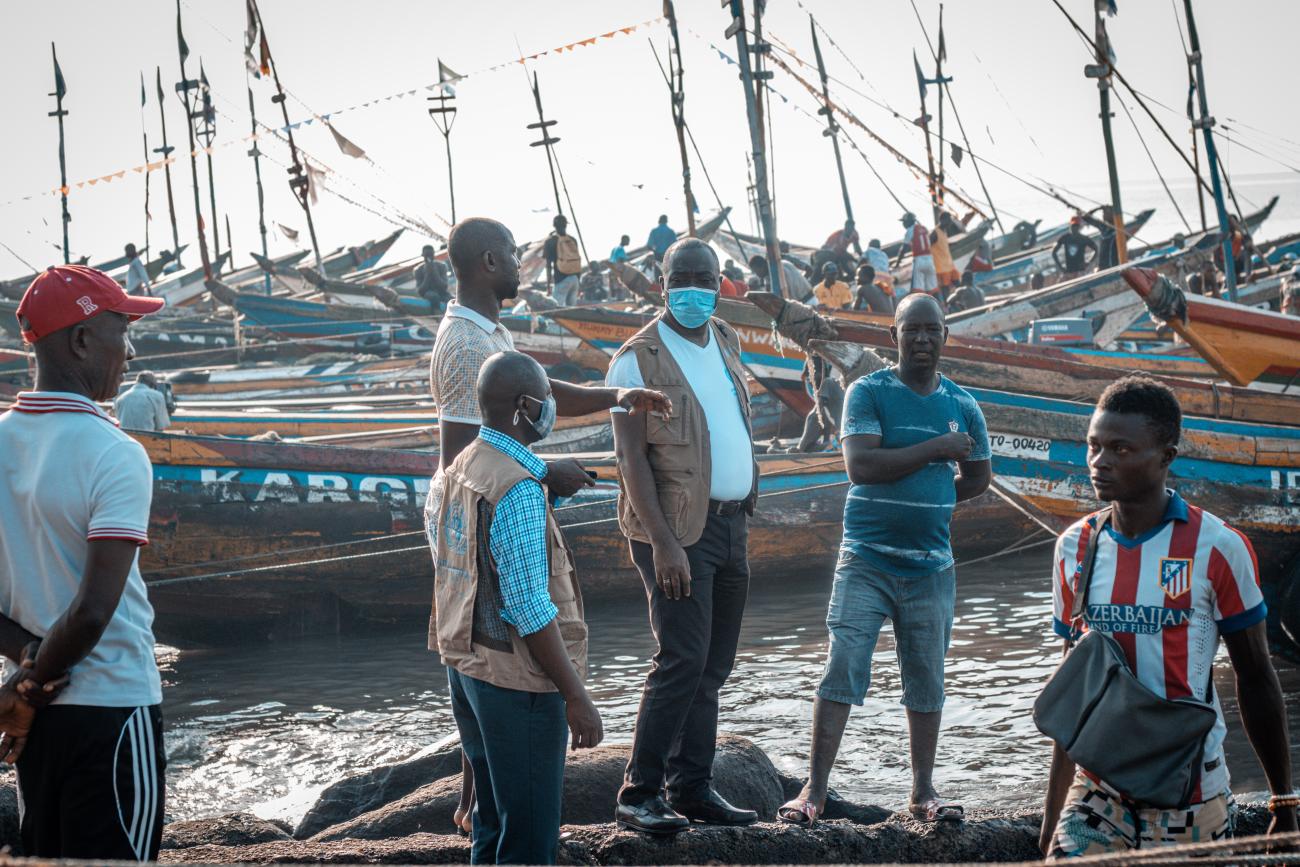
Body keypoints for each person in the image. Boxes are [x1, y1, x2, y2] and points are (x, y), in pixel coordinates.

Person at [426, 217, 670, 836]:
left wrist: (617, 398)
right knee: (493, 662)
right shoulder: (461, 344)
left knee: (478, 673)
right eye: (512, 254)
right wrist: (536, 472)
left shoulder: (490, 331)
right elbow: (470, 459)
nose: (520, 264)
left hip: (492, 504)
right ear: (487, 261)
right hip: (475, 528)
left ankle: (480, 795)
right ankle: (477, 791)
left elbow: (532, 390)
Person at [1039, 376, 1295, 859]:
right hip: (1099, 788)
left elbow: (1257, 676)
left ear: (1166, 457)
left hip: (1190, 791)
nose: (1100, 462)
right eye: (1093, 446)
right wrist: (1052, 814)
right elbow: (1074, 692)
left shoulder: (1218, 548)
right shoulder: (1074, 547)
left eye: (1120, 448)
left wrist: (1283, 800)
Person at [779, 293, 991, 829]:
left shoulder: (964, 405)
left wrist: (933, 495)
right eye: (911, 329)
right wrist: (935, 451)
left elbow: (979, 479)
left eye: (932, 330)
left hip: (931, 568)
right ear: (894, 337)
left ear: (945, 337)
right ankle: (814, 791)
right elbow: (862, 466)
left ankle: (922, 791)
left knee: (926, 679)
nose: (922, 339)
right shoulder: (867, 392)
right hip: (866, 561)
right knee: (844, 664)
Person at [0, 265, 166, 860]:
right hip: (113, 709)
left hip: (36, 721)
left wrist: (24, 675)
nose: (130, 350)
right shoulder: (115, 452)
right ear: (80, 341)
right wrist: (34, 680)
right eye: (122, 332)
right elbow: (94, 613)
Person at [606, 238, 760, 835]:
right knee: (681, 657)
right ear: (661, 281)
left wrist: (748, 486)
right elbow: (630, 459)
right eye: (683, 278)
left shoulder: (724, 338)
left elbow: (730, 417)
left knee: (713, 665)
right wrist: (664, 542)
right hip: (676, 532)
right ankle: (638, 792)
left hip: (730, 523)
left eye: (706, 278)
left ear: (721, 282)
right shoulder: (635, 359)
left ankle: (692, 787)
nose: (695, 289)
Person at [432, 350, 605, 865]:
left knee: (491, 820)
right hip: (519, 685)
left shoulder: (464, 463)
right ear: (526, 406)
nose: (553, 406)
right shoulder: (518, 490)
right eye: (548, 398)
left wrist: (548, 487)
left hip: (467, 668)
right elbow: (528, 605)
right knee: (529, 839)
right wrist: (576, 695)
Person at [796, 354, 843, 453]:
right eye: (809, 377)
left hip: (843, 438)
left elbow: (816, 414)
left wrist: (801, 447)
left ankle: (800, 449)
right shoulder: (834, 384)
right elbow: (826, 420)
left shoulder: (826, 383)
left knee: (812, 416)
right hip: (844, 437)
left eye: (812, 375)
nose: (810, 380)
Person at [897, 213, 938, 297]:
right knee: (933, 289)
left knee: (918, 290)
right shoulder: (924, 228)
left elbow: (903, 249)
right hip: (930, 260)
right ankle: (941, 306)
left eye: (904, 222)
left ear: (909, 222)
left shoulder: (910, 231)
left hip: (919, 260)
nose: (903, 224)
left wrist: (897, 263)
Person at [543, 215, 582, 305]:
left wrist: (548, 285)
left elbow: (548, 266)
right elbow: (578, 261)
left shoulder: (550, 241)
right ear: (566, 225)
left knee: (556, 309)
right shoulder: (573, 240)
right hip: (575, 279)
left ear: (554, 225)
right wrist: (578, 282)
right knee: (571, 310)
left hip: (561, 280)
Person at [930, 214, 962, 296]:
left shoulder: (944, 231)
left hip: (950, 266)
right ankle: (947, 307)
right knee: (946, 291)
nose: (950, 223)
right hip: (941, 268)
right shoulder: (935, 233)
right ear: (942, 220)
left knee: (959, 285)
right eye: (949, 221)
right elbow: (927, 247)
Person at [414, 245, 452, 312]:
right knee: (433, 296)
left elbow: (444, 286)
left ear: (434, 254)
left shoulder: (442, 266)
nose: (429, 257)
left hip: (441, 292)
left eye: (431, 255)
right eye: (427, 255)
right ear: (423, 255)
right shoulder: (418, 270)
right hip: (428, 293)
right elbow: (420, 291)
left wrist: (435, 272)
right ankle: (436, 313)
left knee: (451, 299)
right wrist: (427, 275)